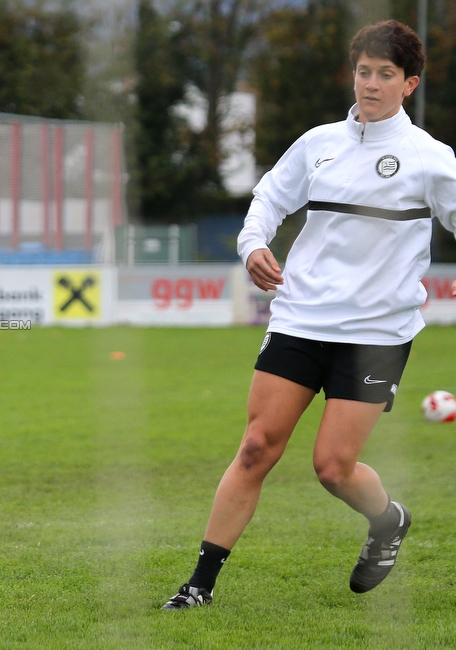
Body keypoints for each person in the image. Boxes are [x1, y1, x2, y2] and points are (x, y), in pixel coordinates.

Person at [161, 20, 456, 610]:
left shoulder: (432, 159)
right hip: (299, 319)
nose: (370, 84)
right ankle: (198, 586)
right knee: (255, 448)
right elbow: (269, 196)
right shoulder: (319, 141)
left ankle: (387, 520)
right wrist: (251, 245)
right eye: (363, 71)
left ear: (409, 84)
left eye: (385, 75)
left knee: (332, 467)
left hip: (376, 335)